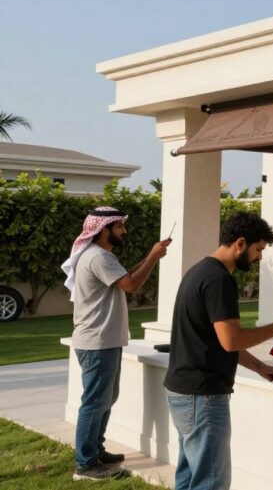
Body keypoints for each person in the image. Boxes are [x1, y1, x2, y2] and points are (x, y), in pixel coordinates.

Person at [164, 212, 273, 490]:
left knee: (190, 477)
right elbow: (232, 340)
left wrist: (261, 368)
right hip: (203, 396)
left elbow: (217, 341)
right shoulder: (218, 280)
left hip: (183, 391)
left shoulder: (198, 271)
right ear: (240, 243)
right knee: (210, 482)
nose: (259, 257)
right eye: (258, 249)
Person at [62, 206, 171, 481]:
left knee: (105, 399)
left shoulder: (100, 256)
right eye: (120, 226)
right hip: (98, 342)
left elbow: (124, 277)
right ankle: (85, 465)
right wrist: (153, 258)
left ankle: (95, 450)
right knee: (95, 402)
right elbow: (131, 285)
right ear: (104, 229)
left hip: (102, 341)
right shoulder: (99, 257)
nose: (124, 230)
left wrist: (149, 256)